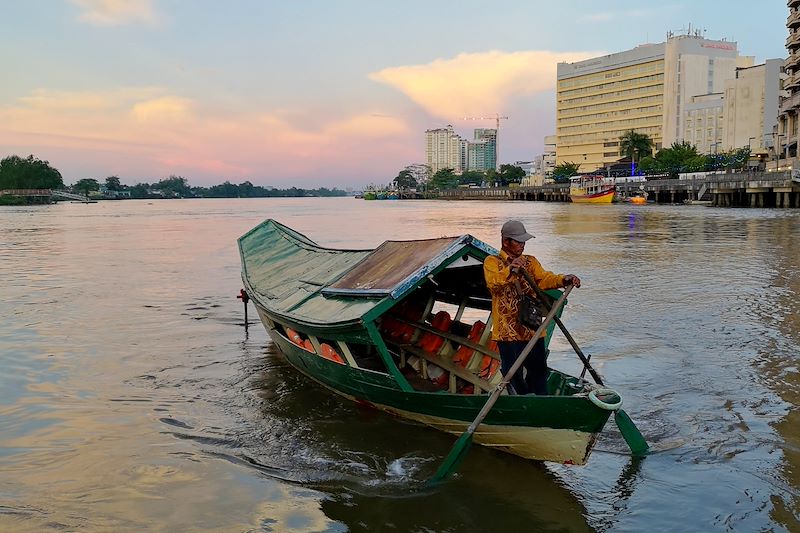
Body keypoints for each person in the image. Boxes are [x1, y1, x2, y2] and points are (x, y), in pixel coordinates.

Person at [483, 220, 581, 395]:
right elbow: (493, 284)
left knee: (538, 371)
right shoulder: (492, 262)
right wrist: (510, 271)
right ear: (506, 242)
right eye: (518, 242)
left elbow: (543, 279)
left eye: (523, 242)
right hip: (508, 331)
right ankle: (521, 402)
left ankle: (541, 402)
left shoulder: (530, 262)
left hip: (531, 328)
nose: (522, 245)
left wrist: (563, 279)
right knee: (513, 374)